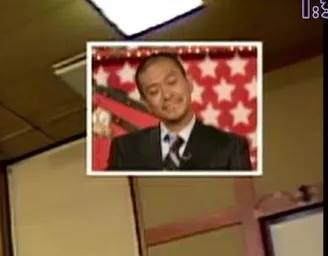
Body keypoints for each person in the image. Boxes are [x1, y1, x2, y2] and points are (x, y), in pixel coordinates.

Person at [106, 52, 252, 172]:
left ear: (189, 83)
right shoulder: (125, 148)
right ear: (146, 103)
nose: (167, 95)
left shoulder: (231, 147)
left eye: (172, 82)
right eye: (154, 91)